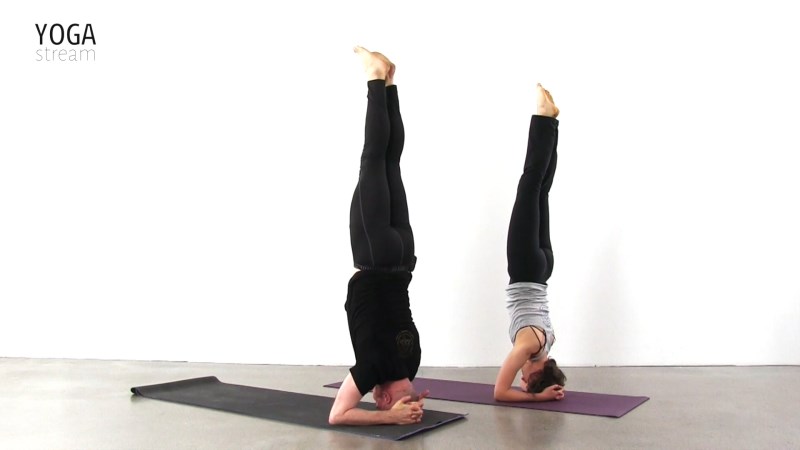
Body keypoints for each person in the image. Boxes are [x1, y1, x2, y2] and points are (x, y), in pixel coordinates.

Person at [328, 46, 429, 426]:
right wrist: (390, 417)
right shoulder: (372, 368)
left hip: (403, 258)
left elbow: (399, 379)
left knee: (390, 162)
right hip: (375, 256)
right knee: (373, 158)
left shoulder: (412, 361)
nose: (373, 398)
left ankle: (388, 83)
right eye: (379, 401)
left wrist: (408, 401)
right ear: (383, 396)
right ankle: (375, 77)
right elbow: (338, 415)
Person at [493, 84, 568, 402]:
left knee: (541, 191)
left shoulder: (548, 341)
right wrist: (537, 397)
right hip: (525, 268)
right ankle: (542, 117)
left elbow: (531, 373)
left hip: (543, 269)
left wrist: (546, 387)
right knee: (529, 184)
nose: (521, 378)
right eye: (526, 379)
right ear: (537, 373)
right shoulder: (527, 346)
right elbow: (499, 393)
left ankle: (551, 123)